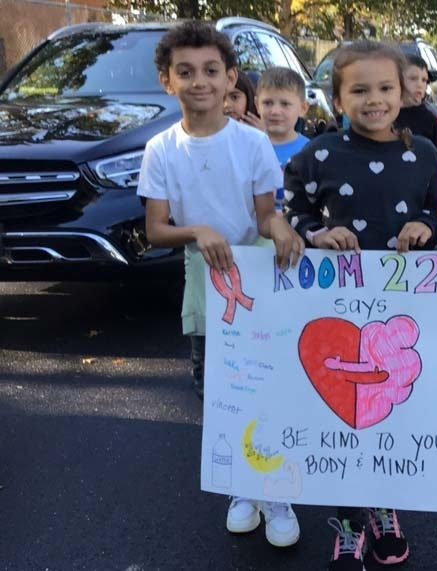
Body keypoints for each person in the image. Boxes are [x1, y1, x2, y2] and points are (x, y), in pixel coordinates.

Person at [137, 19, 305, 551]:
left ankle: (277, 491)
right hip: (205, 283)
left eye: (211, 70)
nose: (199, 82)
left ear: (231, 77)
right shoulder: (160, 149)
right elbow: (156, 228)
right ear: (167, 81)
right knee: (220, 391)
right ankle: (242, 487)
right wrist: (196, 230)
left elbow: (265, 216)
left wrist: (282, 229)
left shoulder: (252, 143)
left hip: (257, 281)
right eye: (185, 72)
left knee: (269, 385)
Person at [283, 41, 437, 571]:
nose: (374, 99)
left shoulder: (424, 152)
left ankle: (384, 507)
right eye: (359, 90)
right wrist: (316, 233)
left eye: (385, 88)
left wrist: (427, 226)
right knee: (347, 411)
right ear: (337, 99)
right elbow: (294, 208)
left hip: (404, 310)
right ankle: (349, 520)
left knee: (392, 409)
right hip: (339, 307)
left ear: (404, 93)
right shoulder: (318, 154)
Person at [255, 67, 310, 209]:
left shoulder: (309, 151)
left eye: (285, 104)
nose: (275, 111)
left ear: (303, 108)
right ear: (257, 105)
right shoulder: (249, 147)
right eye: (267, 103)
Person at [396, 54, 437, 163]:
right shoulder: (387, 116)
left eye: (424, 80)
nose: (420, 85)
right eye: (413, 78)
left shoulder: (428, 119)